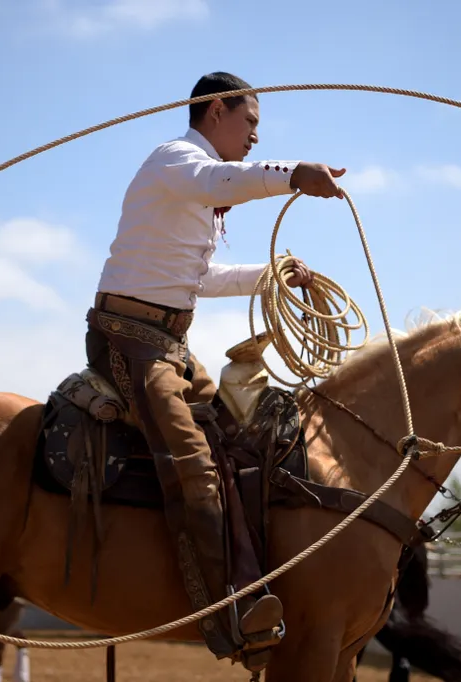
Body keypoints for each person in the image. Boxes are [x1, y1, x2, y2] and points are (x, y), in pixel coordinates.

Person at [85, 71, 346, 664]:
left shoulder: (191, 189)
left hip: (167, 346)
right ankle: (232, 605)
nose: (254, 136)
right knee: (195, 464)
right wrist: (293, 176)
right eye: (249, 121)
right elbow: (219, 179)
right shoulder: (177, 161)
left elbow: (198, 280)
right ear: (216, 111)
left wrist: (270, 273)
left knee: (243, 436)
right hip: (128, 341)